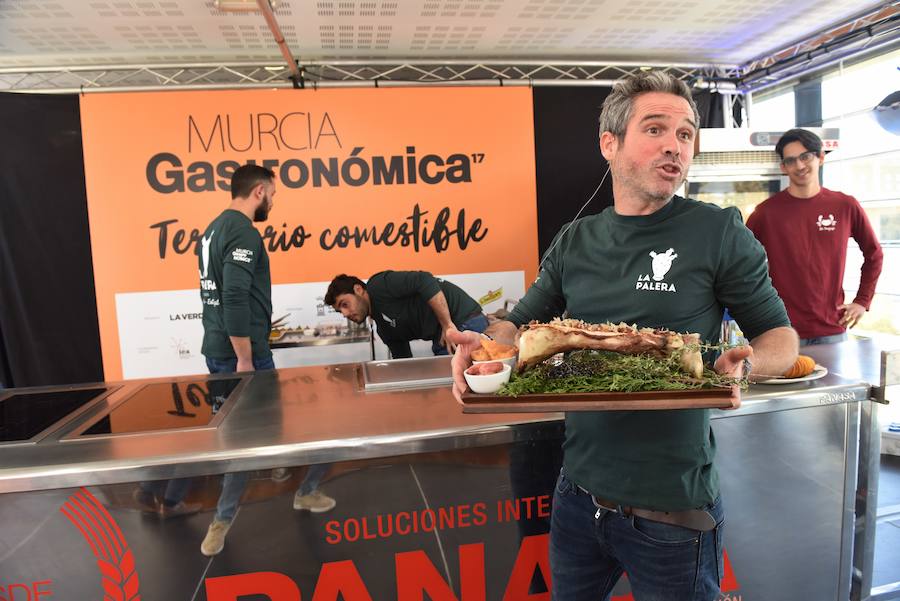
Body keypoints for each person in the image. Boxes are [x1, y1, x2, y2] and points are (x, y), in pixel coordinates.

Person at [450, 71, 798, 601]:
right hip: (578, 494)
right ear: (609, 144)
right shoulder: (576, 240)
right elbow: (517, 322)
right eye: (655, 129)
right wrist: (487, 344)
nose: (674, 146)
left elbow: (780, 337)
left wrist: (744, 367)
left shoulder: (718, 232)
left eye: (685, 134)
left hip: (673, 509)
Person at [198, 164, 335, 557]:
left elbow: (219, 294)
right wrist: (245, 359)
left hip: (219, 351)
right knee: (244, 443)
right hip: (242, 356)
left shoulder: (211, 230)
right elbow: (235, 297)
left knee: (255, 434)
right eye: (273, 194)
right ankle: (223, 520)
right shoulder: (243, 231)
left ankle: (297, 488)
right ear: (259, 191)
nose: (273, 202)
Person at [746, 128, 883, 345]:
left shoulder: (845, 205)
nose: (799, 166)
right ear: (783, 167)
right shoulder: (765, 213)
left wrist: (862, 301)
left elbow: (874, 254)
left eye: (805, 156)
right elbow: (739, 263)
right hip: (780, 331)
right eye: (790, 160)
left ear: (820, 157)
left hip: (831, 330)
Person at [324, 271, 488, 358]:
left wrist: (447, 325)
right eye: (340, 311)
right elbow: (403, 364)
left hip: (463, 319)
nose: (345, 313)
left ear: (358, 290)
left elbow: (425, 280)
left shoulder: (379, 285)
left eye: (344, 304)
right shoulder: (384, 330)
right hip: (440, 336)